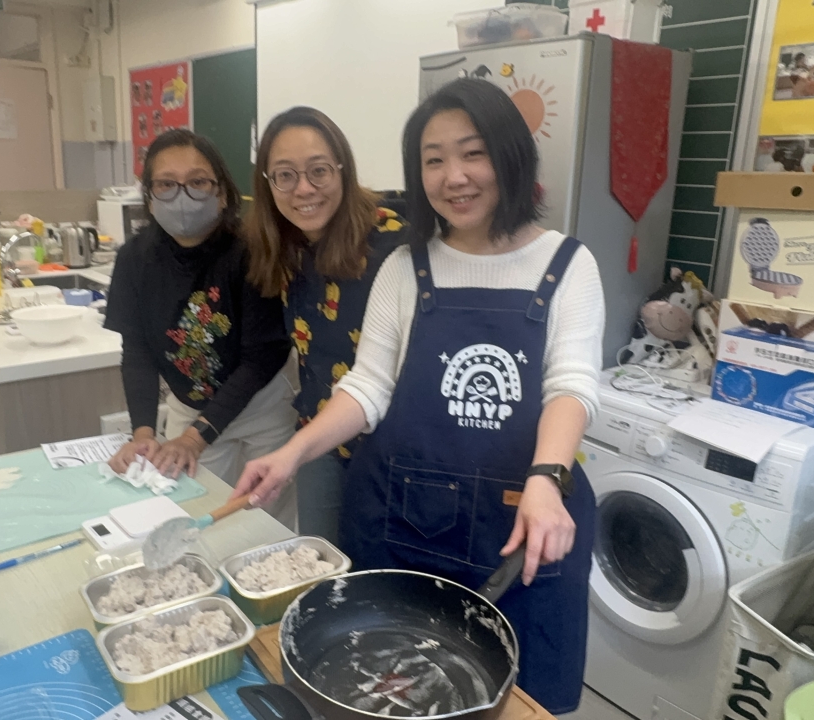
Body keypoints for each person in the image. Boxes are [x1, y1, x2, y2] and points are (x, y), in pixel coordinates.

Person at [233, 78, 605, 713]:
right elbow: (368, 387)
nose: (454, 176)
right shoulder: (406, 267)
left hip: (521, 526)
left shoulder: (568, 264)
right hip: (406, 522)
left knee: (517, 700)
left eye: (473, 153)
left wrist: (547, 478)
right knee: (388, 691)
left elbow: (571, 385)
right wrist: (293, 453)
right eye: (434, 160)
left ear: (510, 156)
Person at [105, 129, 298, 527]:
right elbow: (138, 353)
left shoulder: (253, 251)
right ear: (149, 195)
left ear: (222, 193)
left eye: (197, 182)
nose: (182, 195)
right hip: (189, 407)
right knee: (193, 515)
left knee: (266, 522)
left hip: (262, 407)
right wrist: (143, 434)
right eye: (166, 184)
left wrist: (195, 438)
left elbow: (261, 358)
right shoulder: (134, 259)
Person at [244, 106, 406, 543]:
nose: (303, 189)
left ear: (342, 170)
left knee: (379, 571)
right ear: (268, 183)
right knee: (322, 562)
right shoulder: (284, 244)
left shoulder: (395, 243)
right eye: (285, 175)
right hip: (320, 439)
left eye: (318, 171)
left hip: (393, 447)